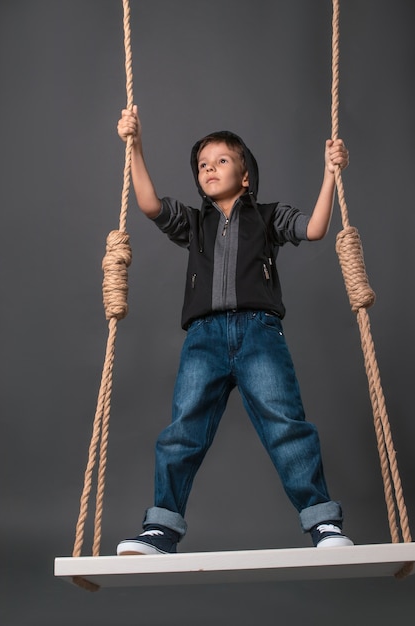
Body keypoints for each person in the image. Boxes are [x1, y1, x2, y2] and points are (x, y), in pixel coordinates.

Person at [116, 105, 353, 555]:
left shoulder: (267, 217)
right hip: (203, 338)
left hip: (259, 332)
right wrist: (136, 145)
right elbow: (148, 204)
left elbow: (316, 228)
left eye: (221, 160)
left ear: (245, 175)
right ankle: (161, 530)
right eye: (203, 164)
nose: (210, 168)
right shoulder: (194, 222)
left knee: (285, 424)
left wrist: (330, 173)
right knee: (183, 429)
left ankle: (324, 524)